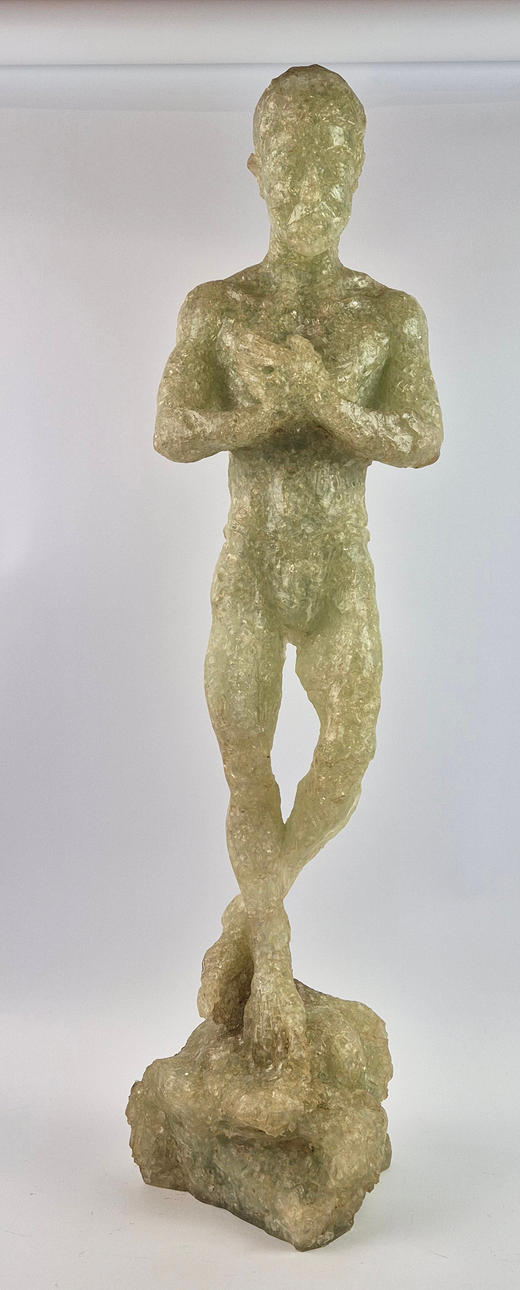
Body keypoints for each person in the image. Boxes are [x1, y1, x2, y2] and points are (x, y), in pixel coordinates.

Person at [154, 65, 443, 1072]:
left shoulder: (388, 314)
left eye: (334, 161)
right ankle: (272, 963)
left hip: (337, 571)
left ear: (358, 169)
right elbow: (171, 429)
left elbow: (420, 438)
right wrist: (255, 417)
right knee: (247, 769)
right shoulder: (217, 306)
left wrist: (327, 406)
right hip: (249, 569)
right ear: (255, 169)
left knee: (347, 752)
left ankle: (245, 913)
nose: (312, 186)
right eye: (290, 160)